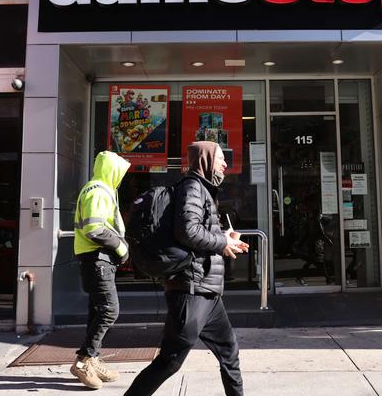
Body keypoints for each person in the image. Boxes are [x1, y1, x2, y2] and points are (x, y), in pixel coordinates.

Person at [125, 141, 249, 396]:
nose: (225, 164)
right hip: (191, 291)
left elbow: (199, 234)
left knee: (229, 353)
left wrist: (224, 241)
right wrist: (222, 241)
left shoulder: (203, 189)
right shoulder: (193, 187)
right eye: (220, 159)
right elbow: (187, 231)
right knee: (170, 361)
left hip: (207, 292)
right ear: (205, 161)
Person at [70, 150, 131, 390]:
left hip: (96, 259)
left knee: (97, 310)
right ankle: (84, 361)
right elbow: (94, 228)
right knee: (109, 310)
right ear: (111, 170)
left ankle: (92, 359)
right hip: (97, 259)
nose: (122, 177)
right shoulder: (97, 191)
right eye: (120, 172)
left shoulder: (97, 189)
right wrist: (121, 247)